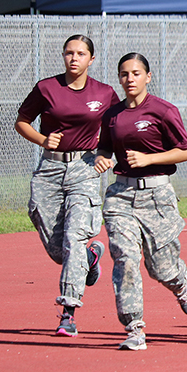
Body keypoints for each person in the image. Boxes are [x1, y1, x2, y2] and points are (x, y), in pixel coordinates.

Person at [94, 53, 187, 351]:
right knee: (125, 258)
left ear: (148, 77)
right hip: (120, 196)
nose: (130, 79)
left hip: (157, 195)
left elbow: (186, 151)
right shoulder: (111, 115)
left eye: (136, 73)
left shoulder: (164, 111)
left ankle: (179, 282)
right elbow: (104, 148)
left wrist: (149, 159)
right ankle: (134, 327)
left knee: (160, 268)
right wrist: (102, 158)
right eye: (125, 74)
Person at [15, 35, 118, 338]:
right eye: (69, 53)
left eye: (81, 53)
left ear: (91, 59)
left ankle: (68, 312)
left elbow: (115, 129)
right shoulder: (47, 88)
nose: (74, 58)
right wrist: (42, 139)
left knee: (74, 237)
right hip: (49, 168)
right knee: (60, 250)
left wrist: (105, 154)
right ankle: (89, 258)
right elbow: (21, 121)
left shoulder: (105, 93)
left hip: (84, 169)